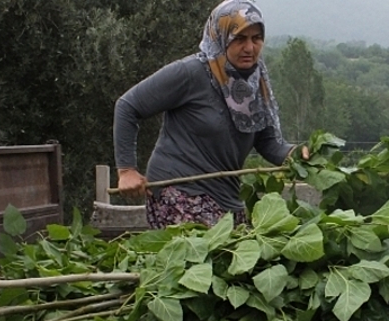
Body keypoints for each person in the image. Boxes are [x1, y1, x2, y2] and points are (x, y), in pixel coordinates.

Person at [113, 0, 308, 229]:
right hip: (179, 191)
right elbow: (127, 106)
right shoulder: (191, 73)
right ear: (221, 36)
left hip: (226, 197)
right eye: (240, 39)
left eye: (256, 38)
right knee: (209, 258)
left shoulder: (255, 82)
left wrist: (299, 156)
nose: (250, 48)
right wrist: (127, 170)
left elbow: (268, 143)